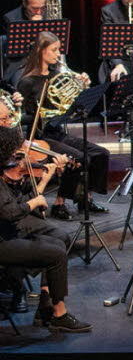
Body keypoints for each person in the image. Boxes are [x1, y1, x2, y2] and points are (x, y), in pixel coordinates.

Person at [0, 126, 92, 331]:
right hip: (3, 239)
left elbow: (13, 205)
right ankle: (57, 313)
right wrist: (33, 203)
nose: (20, 156)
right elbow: (9, 213)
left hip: (7, 231)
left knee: (58, 241)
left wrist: (44, 181)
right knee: (56, 253)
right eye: (15, 151)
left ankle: (48, 306)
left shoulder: (5, 172)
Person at [16, 31, 110, 220]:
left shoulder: (57, 75)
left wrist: (82, 87)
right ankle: (59, 204)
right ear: (41, 52)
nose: (58, 54)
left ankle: (85, 198)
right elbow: (20, 117)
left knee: (101, 154)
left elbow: (71, 106)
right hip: (41, 137)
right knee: (77, 158)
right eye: (54, 50)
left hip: (57, 132)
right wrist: (23, 106)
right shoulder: (27, 82)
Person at [3, 0, 48, 86]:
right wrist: (35, 28)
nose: (39, 12)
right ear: (25, 3)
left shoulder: (49, 15)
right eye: (35, 8)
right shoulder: (11, 19)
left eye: (42, 8)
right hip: (22, 65)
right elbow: (17, 53)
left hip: (47, 64)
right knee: (26, 84)